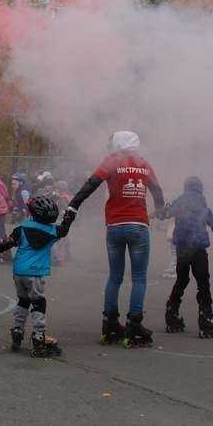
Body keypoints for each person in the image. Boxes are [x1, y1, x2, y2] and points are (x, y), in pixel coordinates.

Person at [68, 130, 166, 348]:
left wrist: (73, 204)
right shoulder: (143, 164)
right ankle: (134, 326)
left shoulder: (112, 161)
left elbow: (91, 183)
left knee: (115, 276)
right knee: (139, 278)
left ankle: (110, 323)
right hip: (138, 225)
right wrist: (159, 210)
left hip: (114, 226)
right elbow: (157, 191)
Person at [0, 192, 76, 357]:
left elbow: (5, 244)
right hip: (35, 274)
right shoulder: (52, 231)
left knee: (23, 301)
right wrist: (70, 215)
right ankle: (38, 337)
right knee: (38, 303)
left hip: (19, 272)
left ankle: (17, 331)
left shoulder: (22, 228)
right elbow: (64, 229)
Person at [158, 176, 213, 339]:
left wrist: (153, 212)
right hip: (198, 249)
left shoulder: (179, 202)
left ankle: (172, 315)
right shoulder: (203, 206)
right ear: (200, 189)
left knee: (181, 281)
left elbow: (163, 214)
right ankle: (206, 319)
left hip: (182, 248)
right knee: (203, 284)